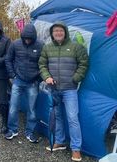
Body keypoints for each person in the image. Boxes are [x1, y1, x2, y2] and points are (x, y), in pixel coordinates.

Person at [39, 21, 88, 162]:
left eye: (60, 30)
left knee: (73, 118)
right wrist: (47, 77)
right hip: (53, 89)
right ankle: (59, 141)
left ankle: (76, 149)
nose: (58, 33)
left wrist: (76, 78)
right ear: (52, 34)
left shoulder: (75, 47)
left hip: (70, 89)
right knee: (58, 116)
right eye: (55, 31)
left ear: (65, 32)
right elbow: (42, 64)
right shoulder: (47, 48)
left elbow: (84, 63)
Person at [4, 24, 43, 142]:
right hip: (18, 81)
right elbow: (8, 59)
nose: (27, 40)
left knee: (32, 109)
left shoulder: (41, 45)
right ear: (22, 36)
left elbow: (44, 63)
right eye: (25, 38)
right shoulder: (15, 44)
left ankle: (30, 132)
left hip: (33, 82)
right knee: (13, 107)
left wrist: (39, 78)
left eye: (29, 38)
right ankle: (12, 130)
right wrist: (13, 75)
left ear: (34, 37)